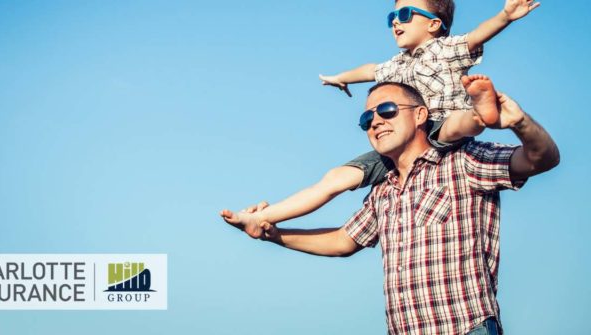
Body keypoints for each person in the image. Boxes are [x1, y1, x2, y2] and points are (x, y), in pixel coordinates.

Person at [223, 77, 559, 334]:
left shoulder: (463, 162)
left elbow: (540, 159)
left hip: (464, 327)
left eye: (386, 111)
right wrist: (273, 234)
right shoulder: (383, 190)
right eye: (366, 119)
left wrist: (520, 123)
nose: (375, 122)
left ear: (421, 116)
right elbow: (343, 241)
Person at [220, 0, 540, 238]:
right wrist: (340, 77)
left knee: (456, 124)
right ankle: (262, 217)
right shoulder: (395, 65)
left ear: (434, 23)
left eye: (404, 14)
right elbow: (369, 70)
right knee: (334, 179)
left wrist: (505, 16)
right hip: (401, 143)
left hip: (440, 123)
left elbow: (474, 37)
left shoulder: (446, 49)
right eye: (391, 16)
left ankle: (480, 113)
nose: (395, 23)